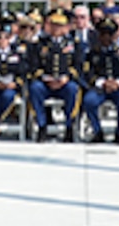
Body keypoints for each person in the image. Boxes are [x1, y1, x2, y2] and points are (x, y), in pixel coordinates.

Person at [28, 9, 82, 142]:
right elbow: (33, 66)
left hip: (64, 82)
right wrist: (45, 77)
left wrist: (66, 77)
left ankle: (69, 127)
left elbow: (78, 66)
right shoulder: (40, 43)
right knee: (35, 88)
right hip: (46, 83)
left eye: (60, 25)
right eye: (54, 25)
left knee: (73, 89)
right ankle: (42, 126)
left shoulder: (74, 44)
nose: (57, 28)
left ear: (66, 27)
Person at [81, 17, 119, 143]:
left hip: (118, 88)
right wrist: (102, 82)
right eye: (103, 34)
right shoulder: (93, 53)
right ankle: (97, 130)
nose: (106, 38)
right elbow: (88, 72)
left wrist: (118, 83)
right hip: (100, 88)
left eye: (109, 35)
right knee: (89, 101)